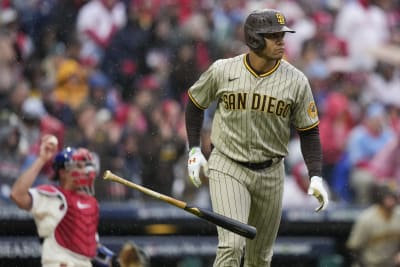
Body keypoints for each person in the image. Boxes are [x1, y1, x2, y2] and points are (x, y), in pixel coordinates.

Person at [185, 8, 329, 267]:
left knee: (260, 258)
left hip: (271, 172)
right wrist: (195, 150)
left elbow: (309, 132)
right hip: (228, 164)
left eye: (281, 35)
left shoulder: (297, 81)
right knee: (232, 245)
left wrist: (315, 175)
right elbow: (195, 103)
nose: (281, 41)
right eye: (273, 36)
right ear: (253, 39)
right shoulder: (223, 70)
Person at [10, 134, 101, 267]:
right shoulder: (53, 195)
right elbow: (17, 195)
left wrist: (113, 259)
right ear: (63, 172)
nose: (84, 171)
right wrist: (41, 159)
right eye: (79, 166)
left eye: (85, 167)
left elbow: (91, 244)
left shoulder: (89, 202)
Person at [346, 183, 400, 267]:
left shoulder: (398, 215)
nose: (391, 200)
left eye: (393, 196)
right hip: (369, 264)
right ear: (380, 197)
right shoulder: (367, 218)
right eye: (388, 197)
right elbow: (353, 248)